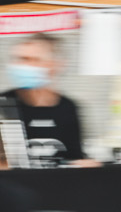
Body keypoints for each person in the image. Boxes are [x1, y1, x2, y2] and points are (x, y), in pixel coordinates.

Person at [2, 34, 93, 167]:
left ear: (54, 65)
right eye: (18, 59)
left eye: (31, 59)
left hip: (54, 184)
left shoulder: (67, 107)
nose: (21, 66)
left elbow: (75, 157)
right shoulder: (4, 104)